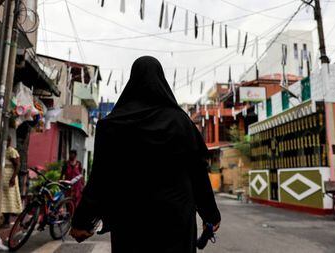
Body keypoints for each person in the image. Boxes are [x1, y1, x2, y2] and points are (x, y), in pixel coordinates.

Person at [70, 56, 221, 253]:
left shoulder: (112, 125)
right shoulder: (182, 123)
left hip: (130, 221)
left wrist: (82, 221)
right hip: (176, 221)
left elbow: (101, 176)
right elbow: (197, 173)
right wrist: (210, 214)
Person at [0, 136, 23, 228]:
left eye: (8, 140)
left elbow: (17, 165)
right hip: (2, 177)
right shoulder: (2, 150)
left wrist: (13, 178)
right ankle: (4, 220)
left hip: (9, 177)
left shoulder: (12, 151)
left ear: (9, 141)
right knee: (3, 199)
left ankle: (7, 221)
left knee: (8, 198)